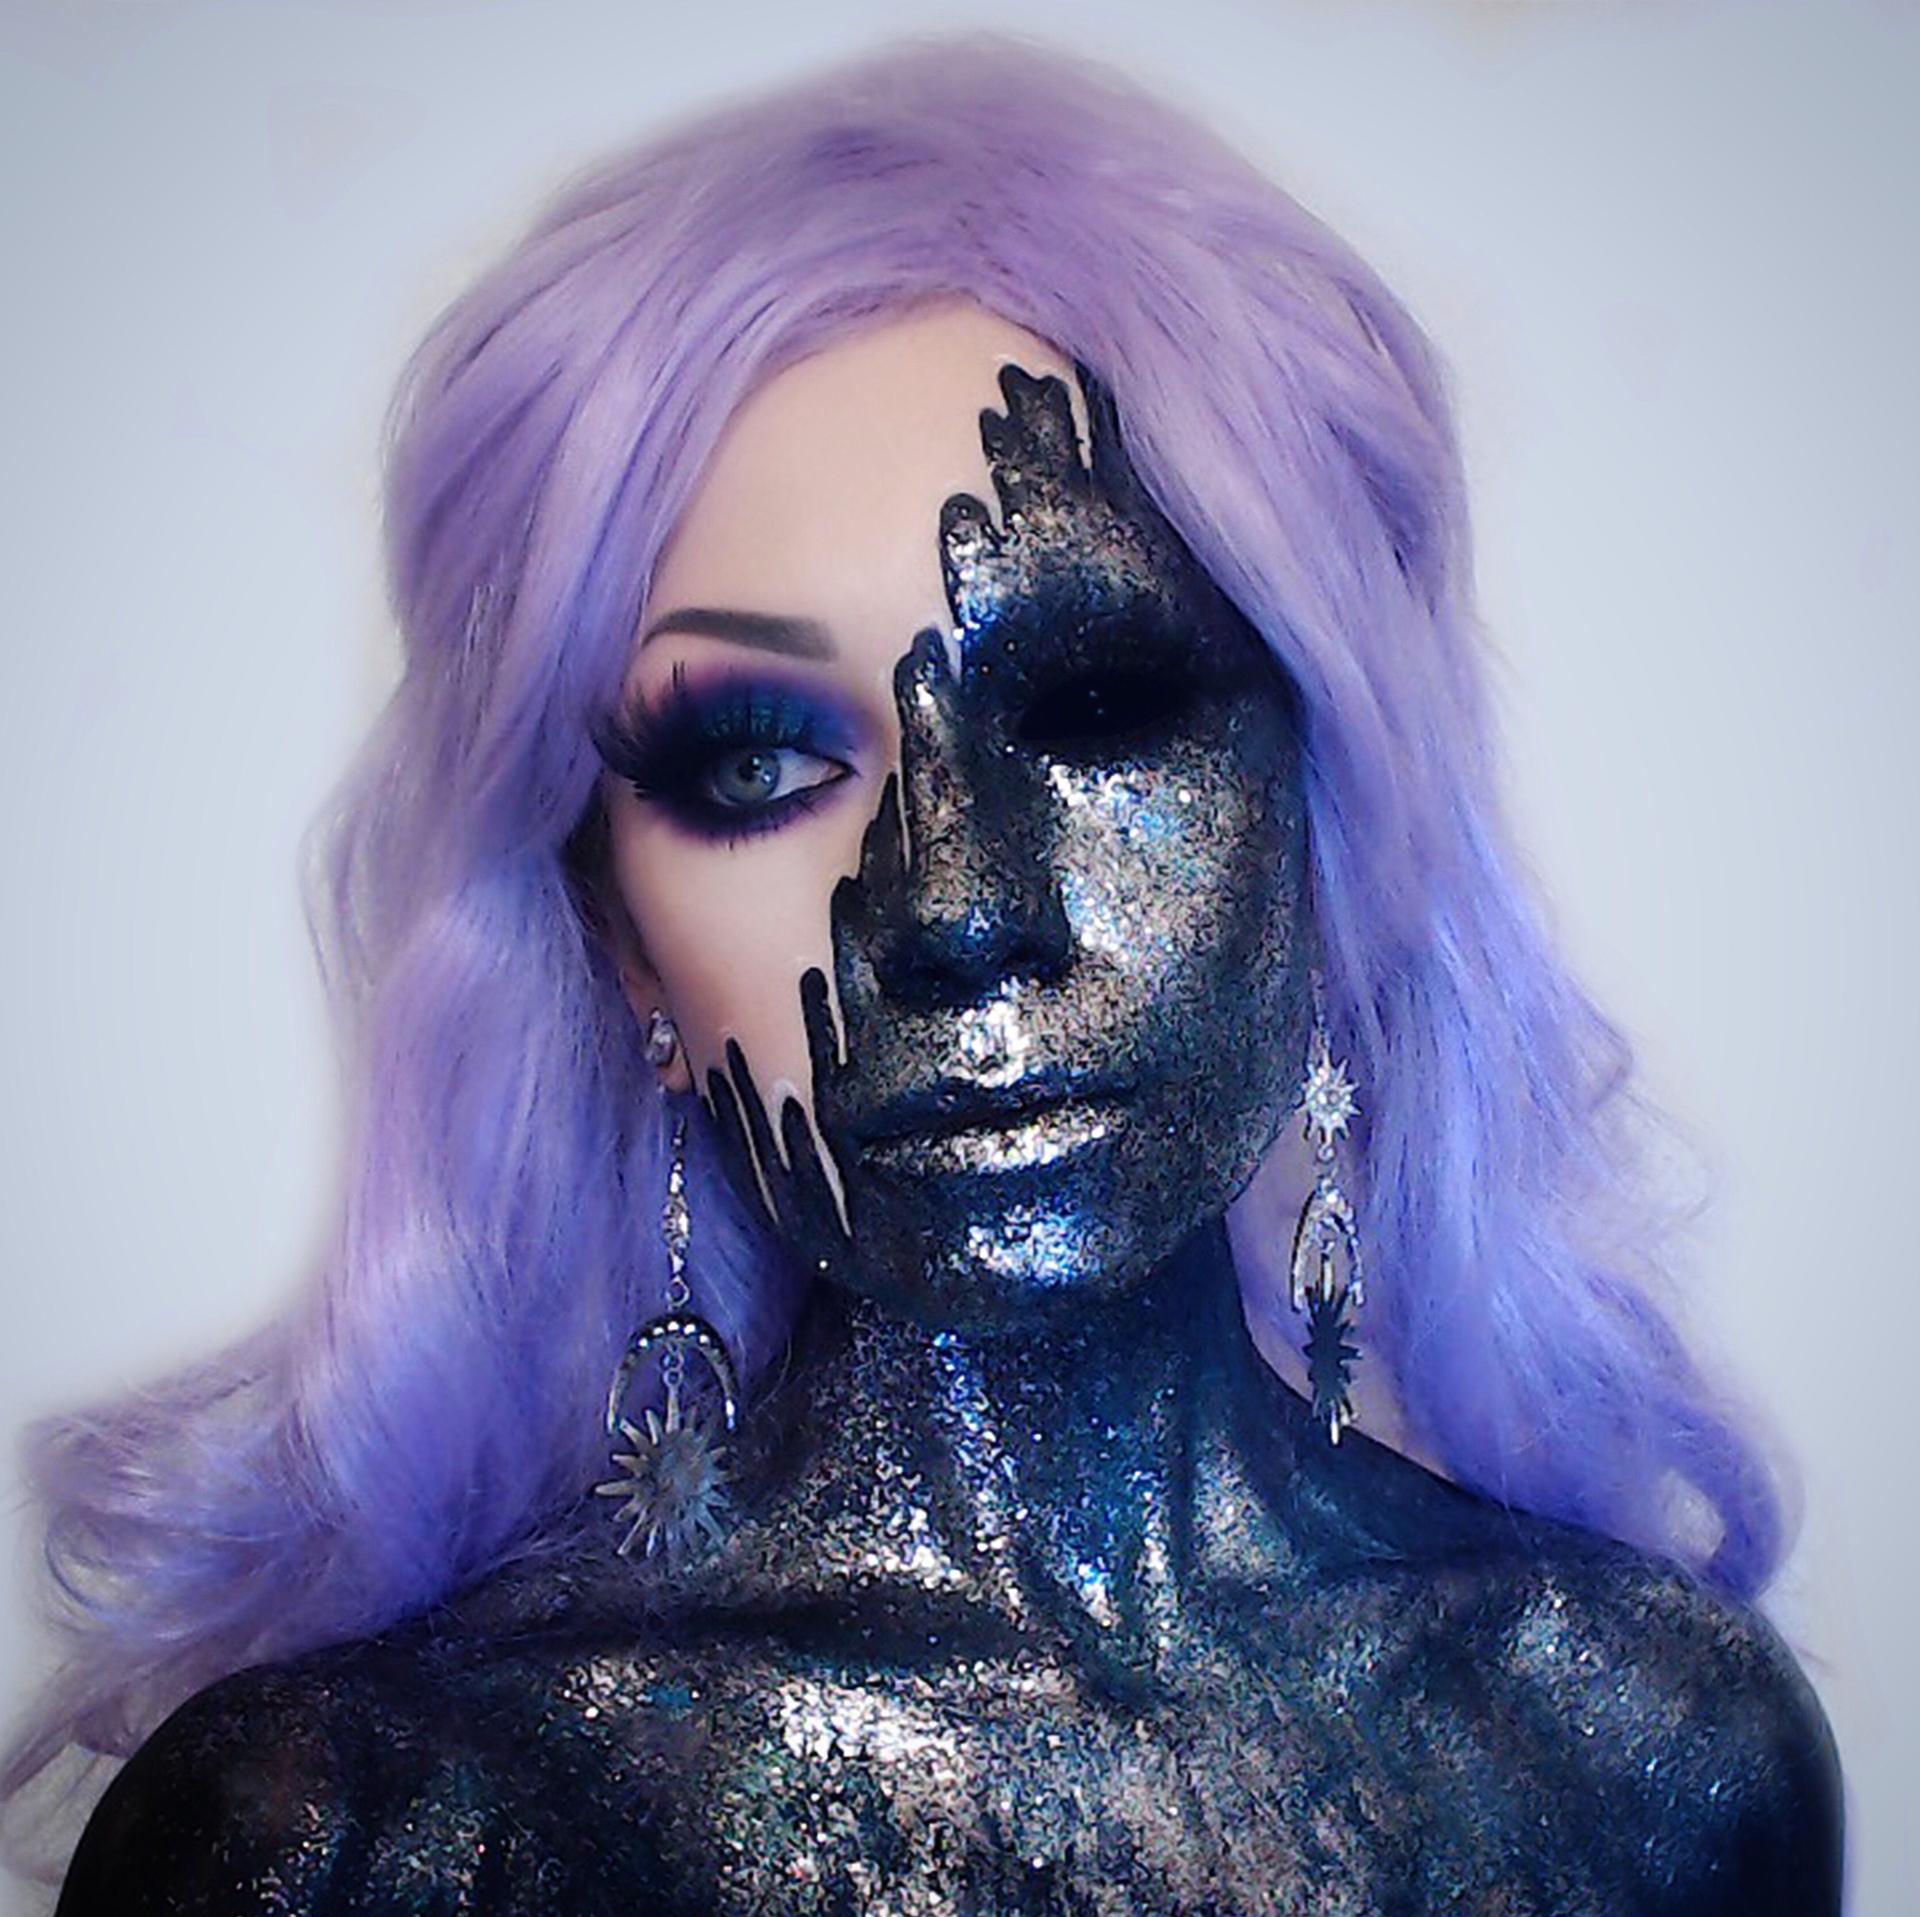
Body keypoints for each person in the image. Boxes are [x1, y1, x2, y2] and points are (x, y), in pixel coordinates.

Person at [7, 34, 1842, 1914]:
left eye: (1102, 702)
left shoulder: (1647, 1760)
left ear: (1326, 815)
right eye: (753, 763)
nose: (958, 908)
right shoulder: (358, 1842)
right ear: (619, 940)